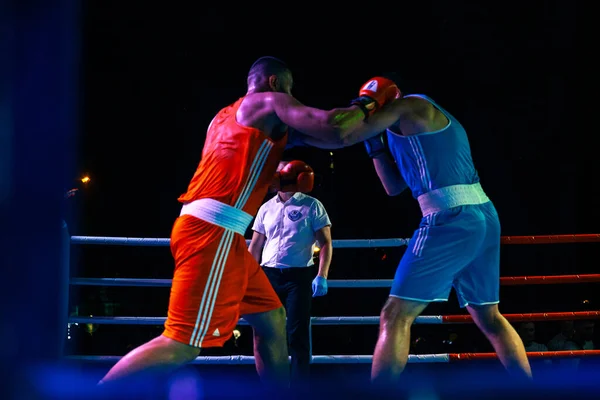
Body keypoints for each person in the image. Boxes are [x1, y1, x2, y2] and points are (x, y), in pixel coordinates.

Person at [95, 57, 401, 393]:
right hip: (215, 233)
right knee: (181, 342)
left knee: (271, 320)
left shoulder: (224, 117)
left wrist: (368, 131)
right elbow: (334, 125)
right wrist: (369, 102)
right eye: (290, 92)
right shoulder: (270, 100)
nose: (291, 100)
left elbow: (333, 139)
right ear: (274, 83)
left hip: (218, 232)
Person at [346, 77, 534, 386]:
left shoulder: (413, 106)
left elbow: (342, 133)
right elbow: (394, 188)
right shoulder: (406, 128)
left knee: (394, 315)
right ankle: (531, 392)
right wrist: (375, 148)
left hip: (451, 217)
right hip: (481, 214)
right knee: (489, 317)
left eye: (372, 107)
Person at [248, 159, 332, 388]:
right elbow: (255, 245)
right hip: (268, 275)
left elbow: (325, 243)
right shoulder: (266, 207)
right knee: (264, 332)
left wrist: (322, 275)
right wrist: (247, 277)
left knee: (297, 334)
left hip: (299, 276)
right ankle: (270, 387)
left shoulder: (313, 205)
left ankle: (299, 388)